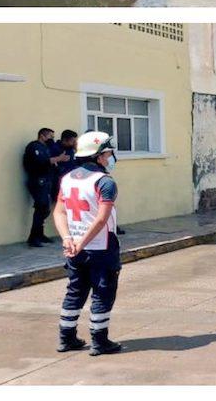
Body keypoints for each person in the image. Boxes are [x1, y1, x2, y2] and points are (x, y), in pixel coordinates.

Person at [51, 131, 122, 355]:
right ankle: (100, 342)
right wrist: (81, 242)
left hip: (74, 248)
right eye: (109, 152)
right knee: (103, 292)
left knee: (75, 291)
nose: (111, 156)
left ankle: (66, 338)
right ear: (100, 155)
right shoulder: (105, 182)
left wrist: (68, 239)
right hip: (101, 247)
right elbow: (101, 219)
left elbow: (59, 212)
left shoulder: (67, 178)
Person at [23, 127, 69, 247]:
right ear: (42, 136)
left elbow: (52, 162)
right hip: (37, 181)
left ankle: (40, 234)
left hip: (47, 180)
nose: (52, 139)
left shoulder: (46, 148)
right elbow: (41, 161)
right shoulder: (34, 147)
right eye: (50, 136)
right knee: (41, 207)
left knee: (45, 208)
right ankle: (33, 238)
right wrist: (59, 158)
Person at [49, 130, 79, 203]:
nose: (74, 143)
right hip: (58, 182)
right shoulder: (55, 148)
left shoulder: (71, 149)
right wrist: (59, 160)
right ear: (65, 140)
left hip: (71, 181)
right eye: (73, 141)